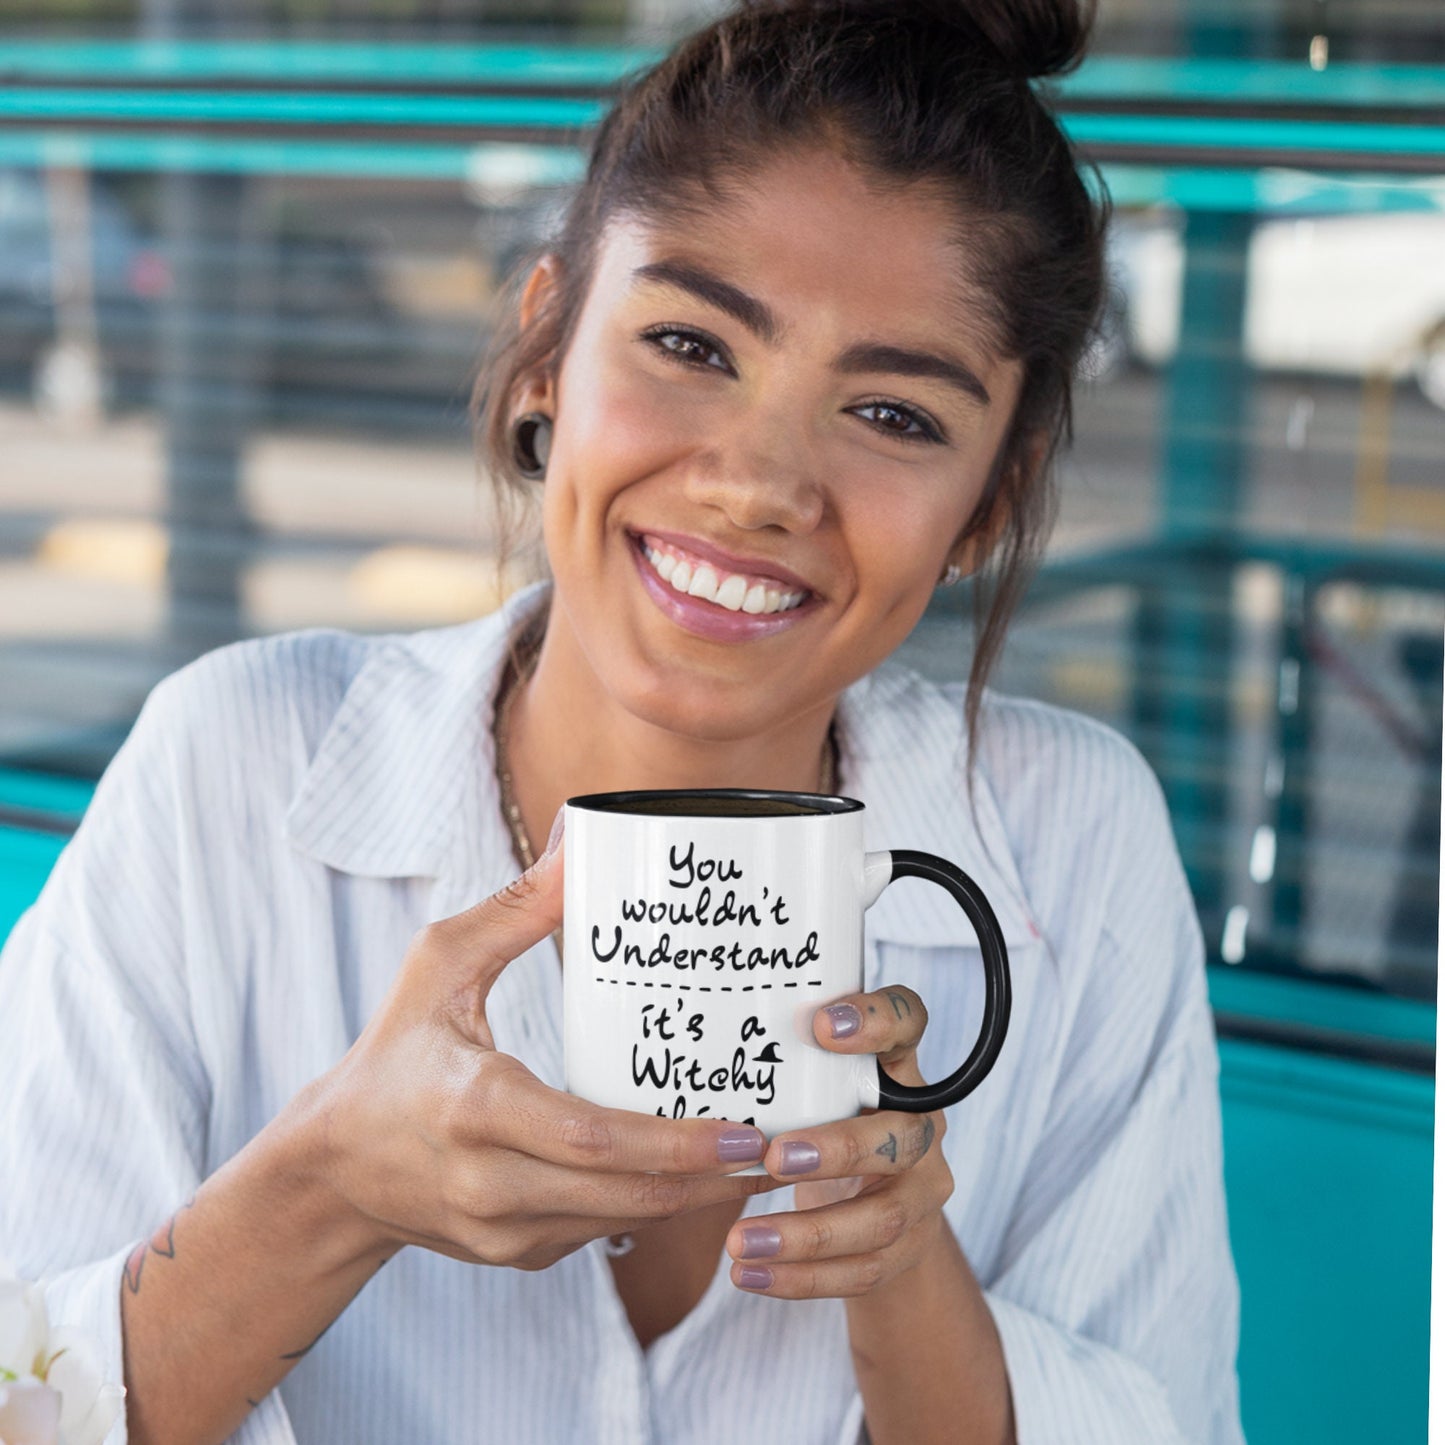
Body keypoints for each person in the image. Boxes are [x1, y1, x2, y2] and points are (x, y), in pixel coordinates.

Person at [0, 2, 1245, 1442]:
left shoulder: (1069, 844)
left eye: (896, 416)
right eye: (690, 344)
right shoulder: (230, 766)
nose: (758, 482)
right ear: (545, 352)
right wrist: (328, 1187)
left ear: (988, 507)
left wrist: (904, 1273)